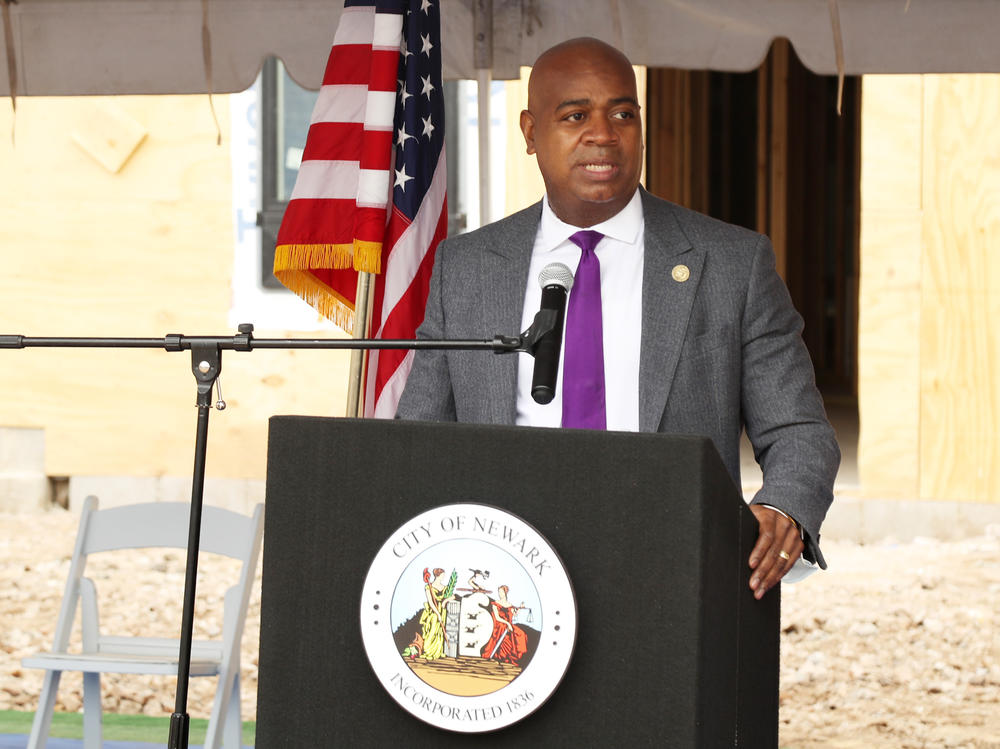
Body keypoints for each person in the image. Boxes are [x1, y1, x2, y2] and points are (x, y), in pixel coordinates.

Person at [396, 37, 840, 600]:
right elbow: (417, 438)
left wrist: (783, 506)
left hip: (674, 569)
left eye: (623, 113)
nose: (603, 133)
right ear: (531, 133)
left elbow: (799, 430)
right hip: (507, 574)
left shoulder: (731, 263)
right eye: (575, 115)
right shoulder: (467, 268)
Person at [481, 585, 528, 665]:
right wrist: (507, 624)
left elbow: (515, 614)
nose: (500, 594)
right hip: (499, 624)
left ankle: (515, 655)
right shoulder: (495, 603)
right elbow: (497, 617)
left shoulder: (509, 604)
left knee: (521, 633)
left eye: (501, 592)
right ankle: (500, 655)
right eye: (499, 592)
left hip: (508, 624)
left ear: (505, 592)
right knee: (504, 629)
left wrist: (520, 608)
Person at [419, 567, 455, 660]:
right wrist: (437, 614)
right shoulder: (428, 587)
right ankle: (428, 651)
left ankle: (438, 652)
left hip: (442, 611)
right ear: (438, 575)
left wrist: (445, 601)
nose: (444, 577)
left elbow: (452, 596)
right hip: (433, 612)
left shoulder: (445, 587)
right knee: (433, 630)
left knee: (440, 632)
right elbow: (431, 602)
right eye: (442, 575)